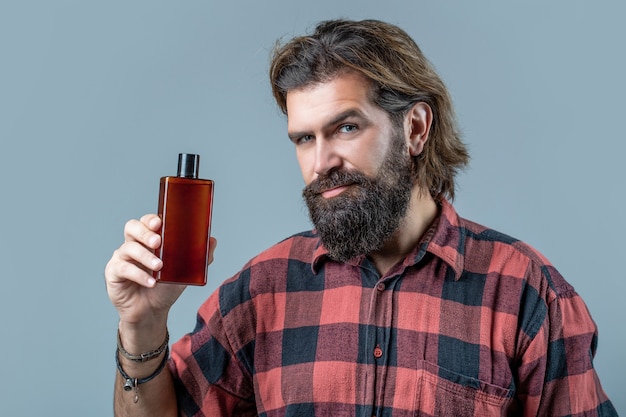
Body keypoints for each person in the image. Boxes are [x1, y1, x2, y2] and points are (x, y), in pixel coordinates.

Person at [105, 19, 617, 416]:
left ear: (415, 128)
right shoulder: (261, 292)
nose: (322, 162)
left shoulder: (527, 295)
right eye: (304, 139)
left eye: (346, 128)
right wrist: (142, 324)